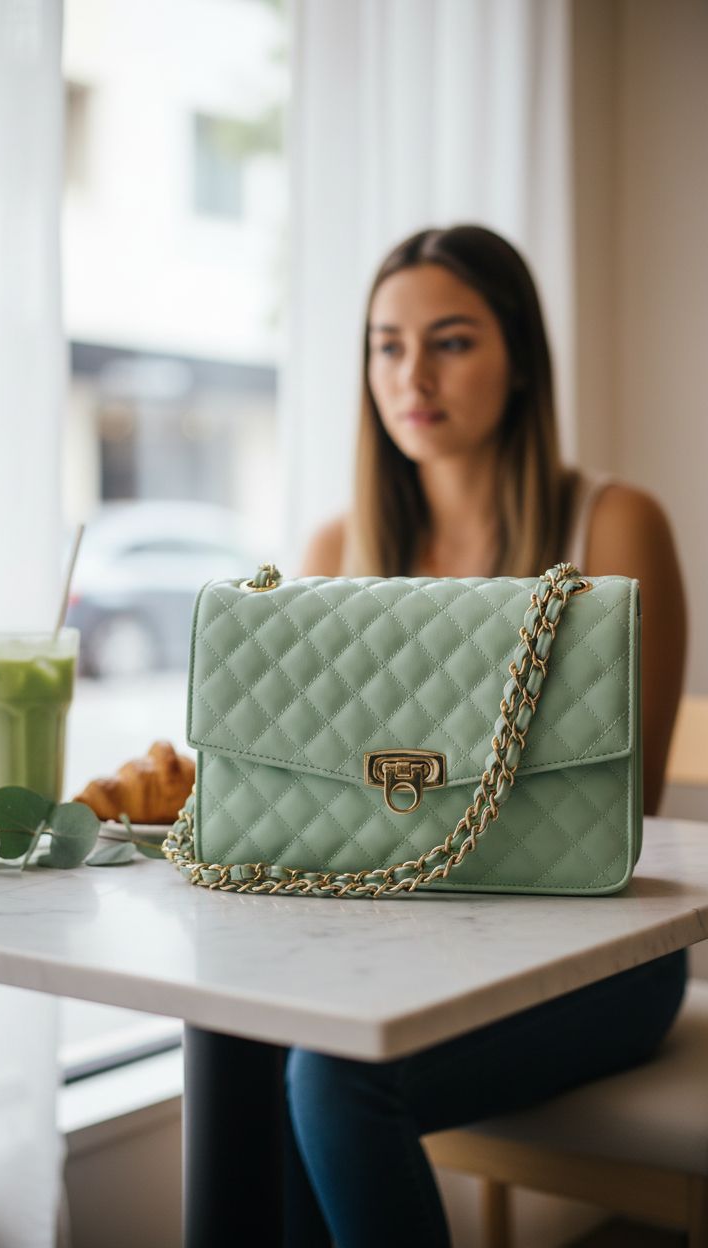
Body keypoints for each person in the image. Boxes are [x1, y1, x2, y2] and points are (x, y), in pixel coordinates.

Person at [284, 225, 688, 1247]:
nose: (410, 373)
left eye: (450, 341)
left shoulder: (612, 527)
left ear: (518, 359)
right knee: (247, 1047)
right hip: (401, 949)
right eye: (385, 344)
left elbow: (615, 815)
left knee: (333, 1078)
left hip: (598, 958)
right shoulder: (337, 549)